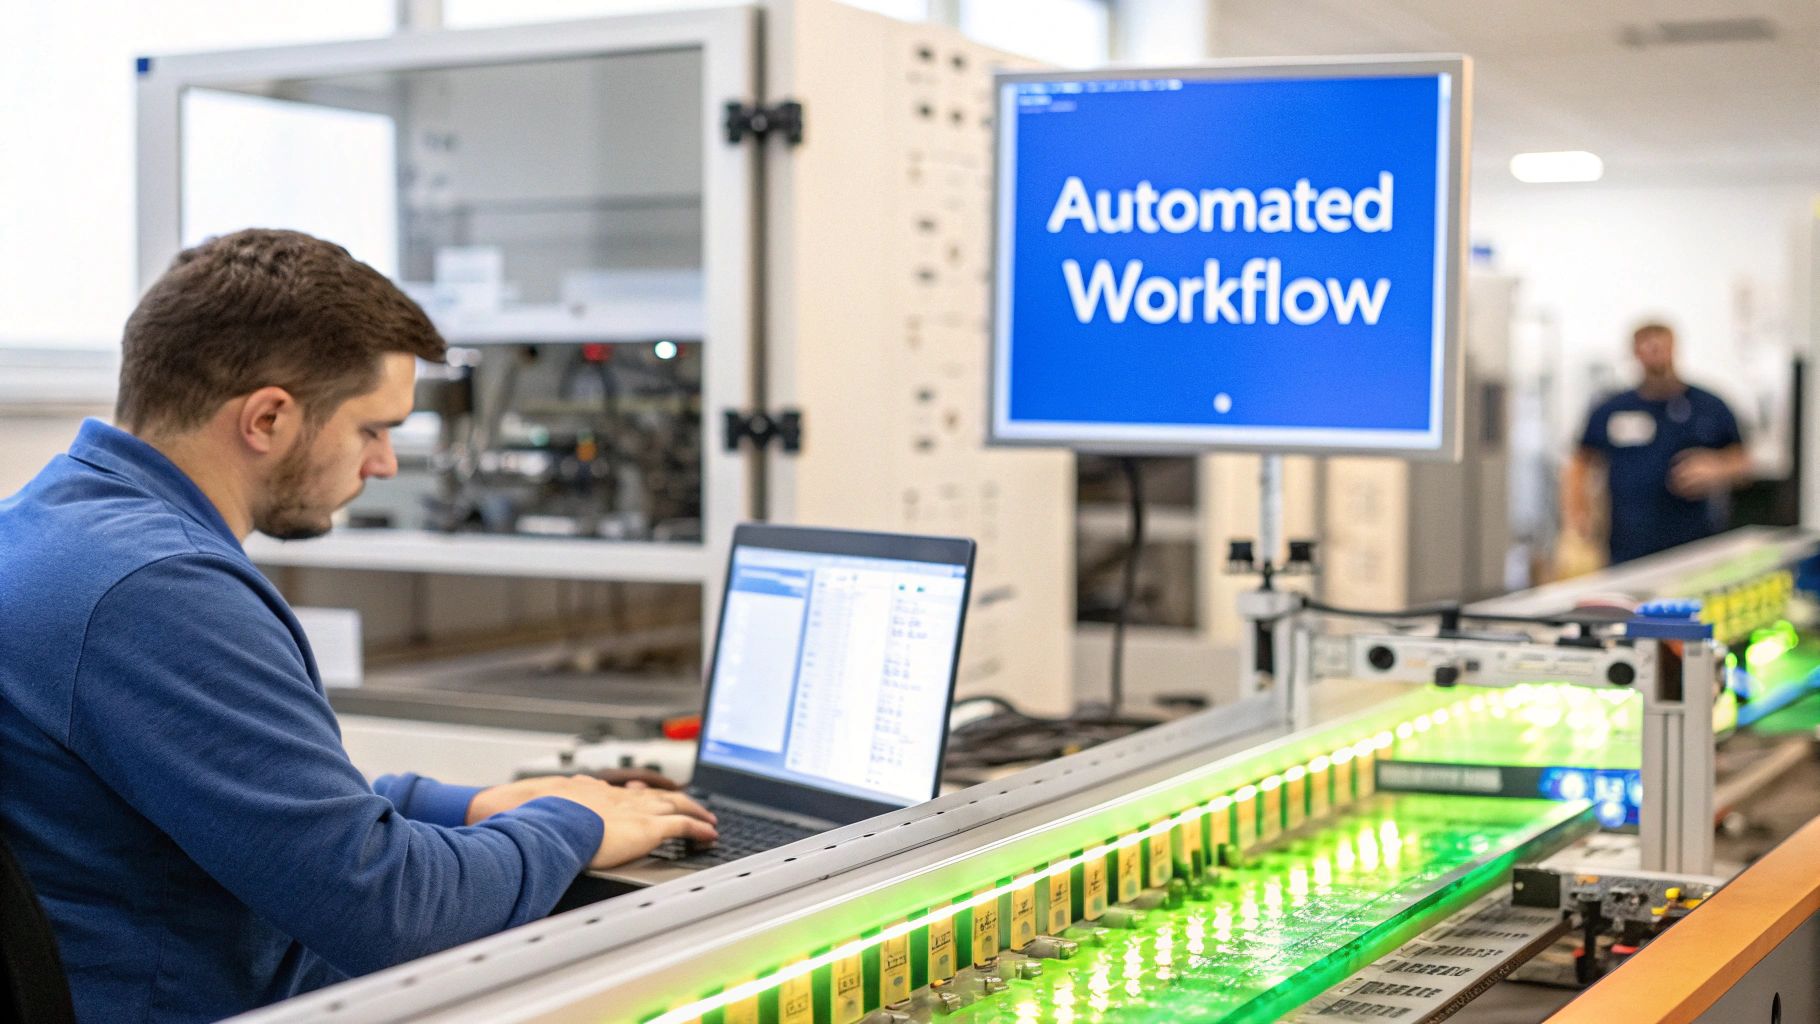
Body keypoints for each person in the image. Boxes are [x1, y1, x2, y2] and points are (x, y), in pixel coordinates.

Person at [0, 229, 717, 1023]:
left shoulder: (46, 528)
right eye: (373, 430)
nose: (385, 466)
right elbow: (396, 913)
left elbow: (262, 811)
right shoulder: (158, 591)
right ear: (268, 418)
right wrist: (574, 823)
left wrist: (468, 806)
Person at [1563, 322, 1749, 566]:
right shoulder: (1612, 410)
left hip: (1696, 543)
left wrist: (1718, 468)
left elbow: (1743, 462)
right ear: (1635, 353)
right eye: (1646, 346)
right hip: (1627, 548)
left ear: (1674, 347)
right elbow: (1580, 461)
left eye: (1660, 345)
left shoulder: (1709, 407)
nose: (1654, 352)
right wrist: (1578, 513)